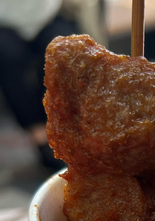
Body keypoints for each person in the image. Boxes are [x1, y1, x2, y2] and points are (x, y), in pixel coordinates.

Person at [0, 0, 106, 170]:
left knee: (65, 49)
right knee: (8, 55)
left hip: (48, 11)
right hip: (5, 20)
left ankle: (69, 125)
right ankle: (39, 132)